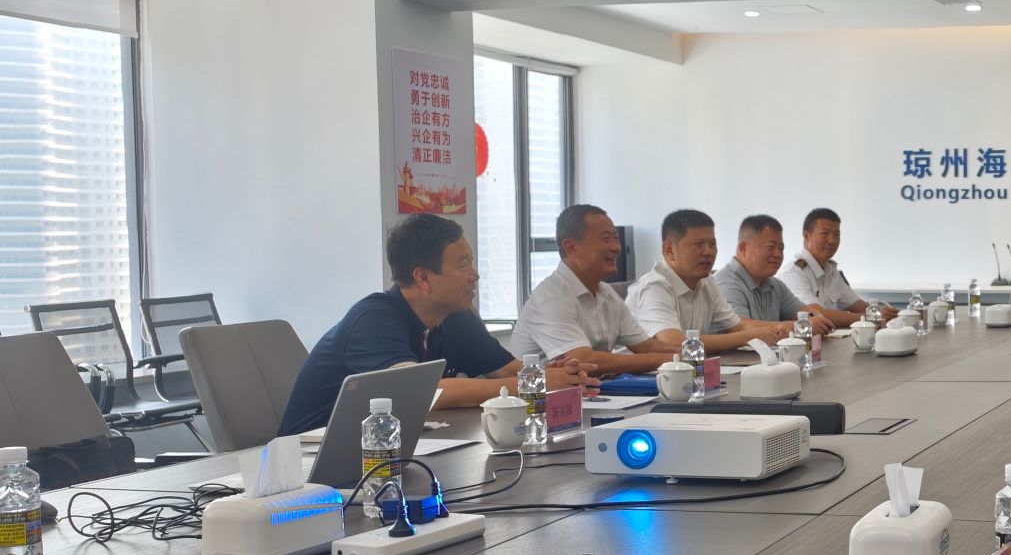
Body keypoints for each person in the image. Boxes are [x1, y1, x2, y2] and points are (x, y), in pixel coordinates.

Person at [280, 214, 587, 434]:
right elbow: (422, 393)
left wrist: (558, 374)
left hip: (394, 447)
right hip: (310, 465)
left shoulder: (456, 316)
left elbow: (507, 370)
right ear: (423, 277)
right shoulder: (372, 320)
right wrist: (533, 384)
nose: (475, 275)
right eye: (463, 264)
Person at [507, 205, 672, 376]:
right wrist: (666, 360)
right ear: (571, 247)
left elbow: (646, 346)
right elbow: (585, 361)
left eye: (616, 238)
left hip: (592, 389)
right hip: (541, 393)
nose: (616, 247)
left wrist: (684, 354)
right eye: (606, 239)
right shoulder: (551, 298)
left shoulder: (606, 293)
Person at [627, 208, 792, 351]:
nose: (708, 252)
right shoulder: (654, 286)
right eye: (698, 244)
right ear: (669, 250)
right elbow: (675, 343)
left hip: (688, 372)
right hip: (634, 376)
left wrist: (775, 330)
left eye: (712, 244)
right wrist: (748, 337)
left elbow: (738, 326)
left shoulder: (706, 282)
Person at [716, 215, 835, 331]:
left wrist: (816, 317)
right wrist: (800, 326)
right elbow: (739, 326)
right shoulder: (727, 283)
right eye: (771, 247)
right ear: (743, 248)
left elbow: (802, 311)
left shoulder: (775, 284)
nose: (778, 254)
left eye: (781, 248)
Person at [782, 208, 897, 326]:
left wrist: (891, 314)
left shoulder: (831, 270)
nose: (832, 241)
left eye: (836, 235)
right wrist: (872, 317)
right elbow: (816, 314)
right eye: (824, 234)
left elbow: (859, 306)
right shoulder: (794, 272)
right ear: (807, 236)